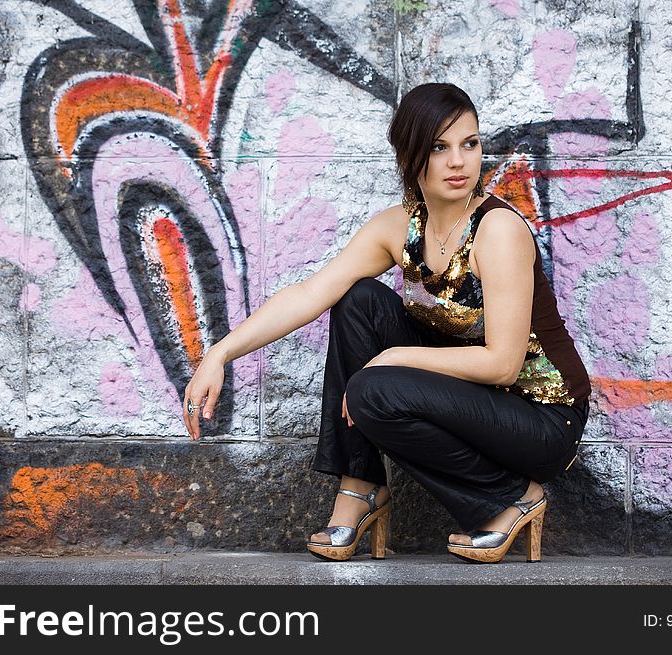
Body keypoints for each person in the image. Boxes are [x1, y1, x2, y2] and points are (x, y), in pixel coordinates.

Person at [182, 82, 591, 564]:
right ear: (410, 155)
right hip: (471, 404)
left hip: (539, 418)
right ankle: (361, 486)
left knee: (374, 390)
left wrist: (393, 358)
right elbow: (311, 293)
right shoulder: (398, 227)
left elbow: (503, 364)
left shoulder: (497, 230)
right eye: (439, 147)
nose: (458, 162)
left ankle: (512, 495)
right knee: (357, 301)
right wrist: (220, 352)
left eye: (470, 144)